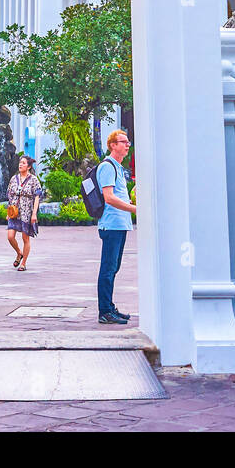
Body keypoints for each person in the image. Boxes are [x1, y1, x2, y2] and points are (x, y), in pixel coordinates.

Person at [96, 131, 136, 324]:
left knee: (114, 267)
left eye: (128, 142)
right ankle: (104, 311)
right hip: (111, 224)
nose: (127, 145)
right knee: (108, 268)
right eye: (123, 142)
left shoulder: (118, 167)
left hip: (119, 224)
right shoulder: (107, 167)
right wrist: (136, 209)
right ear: (112, 145)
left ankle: (109, 307)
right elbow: (109, 197)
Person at [6, 155, 43, 271]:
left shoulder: (33, 180)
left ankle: (24, 263)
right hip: (15, 212)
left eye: (23, 163)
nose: (20, 165)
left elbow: (37, 197)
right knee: (10, 236)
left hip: (27, 211)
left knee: (25, 238)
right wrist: (9, 211)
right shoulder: (14, 179)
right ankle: (19, 253)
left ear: (29, 166)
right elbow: (10, 195)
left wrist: (34, 214)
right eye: (20, 163)